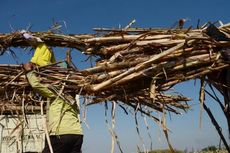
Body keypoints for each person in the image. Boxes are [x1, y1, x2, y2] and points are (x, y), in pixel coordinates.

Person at [23, 43, 83, 153]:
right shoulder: (72, 99)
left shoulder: (57, 94)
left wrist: (29, 72)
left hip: (61, 134)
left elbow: (37, 86)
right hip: (77, 135)